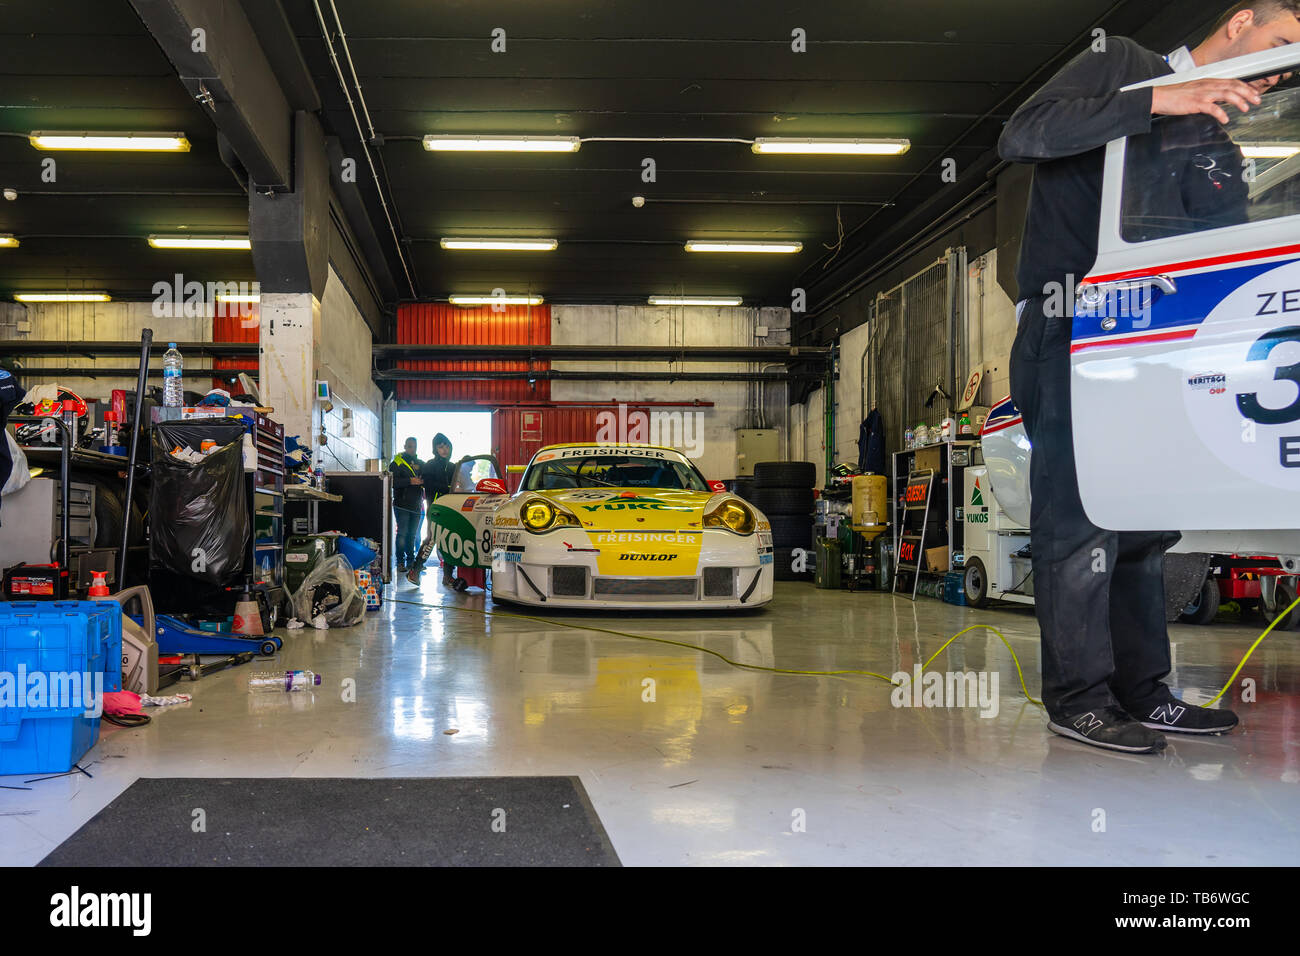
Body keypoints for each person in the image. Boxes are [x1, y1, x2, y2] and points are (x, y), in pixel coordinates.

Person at [996, 0, 1300, 753]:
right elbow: (1024, 133)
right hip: (1073, 325)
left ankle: (1144, 692)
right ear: (1239, 23)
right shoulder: (1126, 64)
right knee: (1078, 523)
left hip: (1156, 343)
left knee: (1142, 525)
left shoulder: (1220, 146)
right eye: (1281, 41)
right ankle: (1077, 699)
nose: (1285, 63)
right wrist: (1163, 98)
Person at [408, 433, 461, 588]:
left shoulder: (453, 467)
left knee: (451, 540)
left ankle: (448, 576)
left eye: (446, 446)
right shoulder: (430, 465)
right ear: (435, 449)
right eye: (440, 446)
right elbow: (429, 485)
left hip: (452, 509)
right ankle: (415, 571)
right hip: (436, 508)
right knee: (431, 539)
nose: (444, 449)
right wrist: (449, 488)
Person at [388, 436, 424, 572]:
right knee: (402, 534)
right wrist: (410, 481)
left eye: (414, 446)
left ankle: (411, 562)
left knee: (412, 535)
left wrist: (422, 481)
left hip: (416, 505)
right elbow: (392, 482)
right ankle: (400, 563)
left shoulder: (421, 463)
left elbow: (426, 479)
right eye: (409, 446)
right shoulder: (397, 462)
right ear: (404, 446)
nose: (412, 449)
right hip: (401, 505)